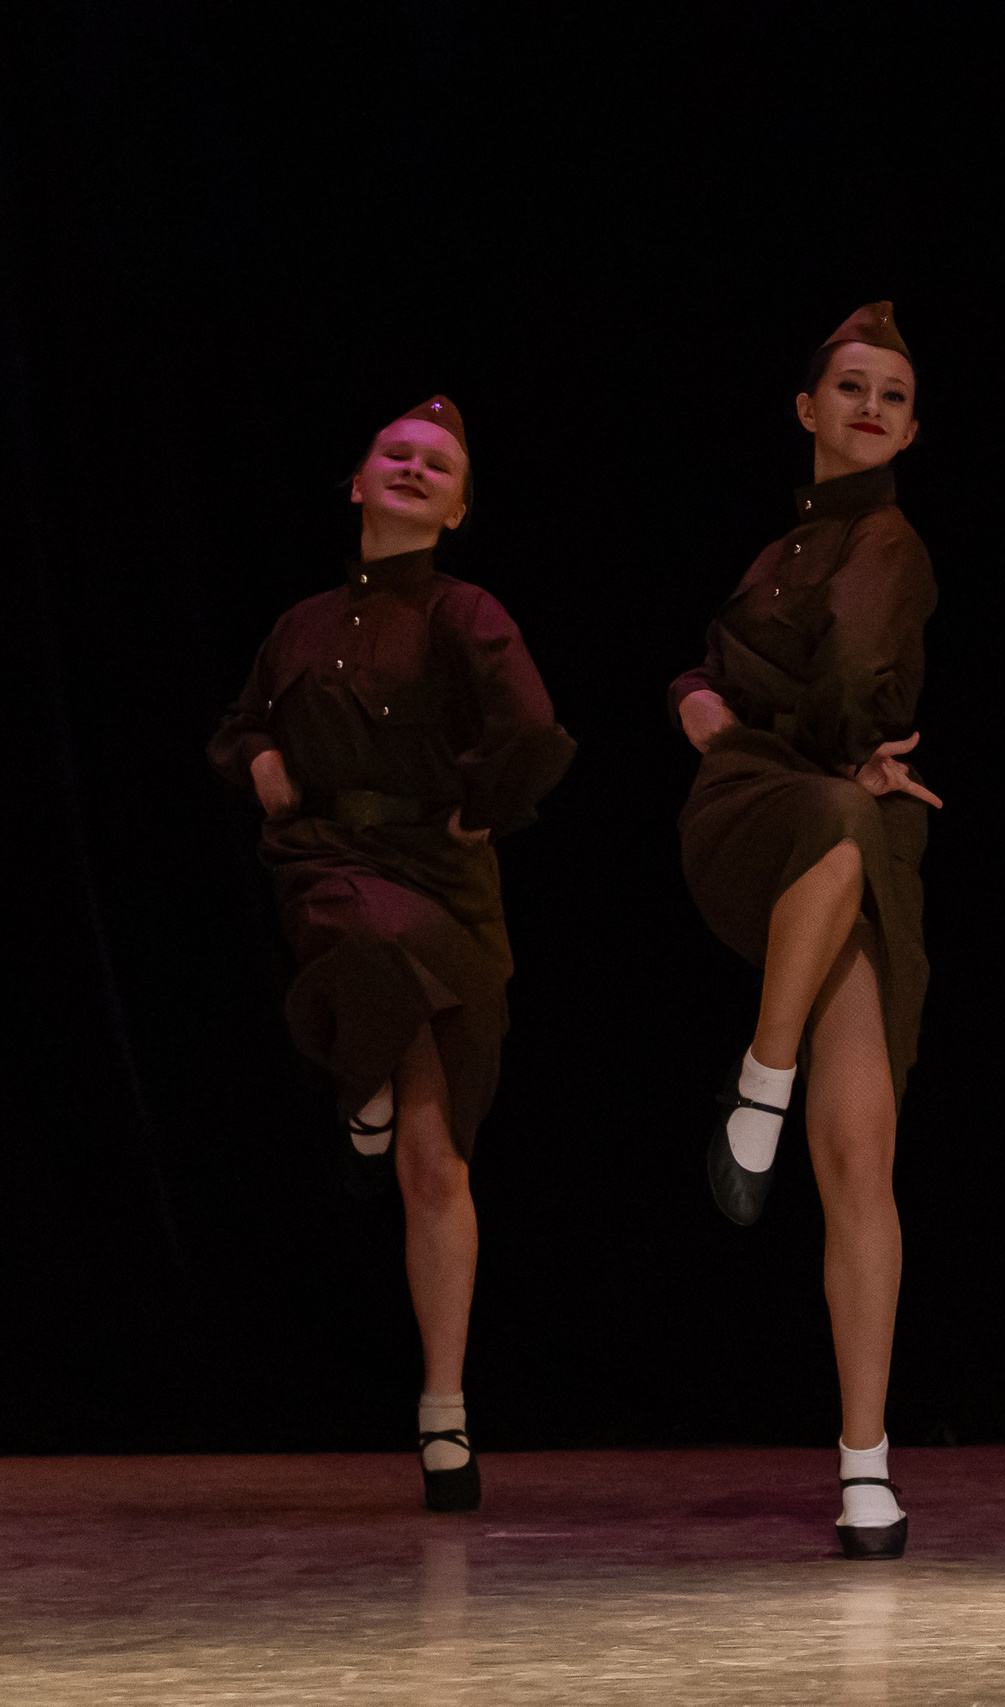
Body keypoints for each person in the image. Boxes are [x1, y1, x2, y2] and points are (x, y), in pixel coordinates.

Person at [209, 396, 575, 1513]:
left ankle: (444, 1414)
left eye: (439, 466)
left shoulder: (466, 612)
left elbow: (533, 735)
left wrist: (481, 811)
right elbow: (238, 727)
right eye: (395, 455)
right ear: (358, 483)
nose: (414, 470)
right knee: (358, 928)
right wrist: (261, 756)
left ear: (460, 505)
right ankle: (362, 1072)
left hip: (447, 882)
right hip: (330, 856)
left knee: (434, 1160)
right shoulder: (301, 624)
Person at [671, 302, 939, 1560]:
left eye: (891, 393)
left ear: (911, 425)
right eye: (850, 386)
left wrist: (752, 709)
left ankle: (867, 1463)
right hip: (755, 808)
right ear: (808, 409)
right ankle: (761, 1076)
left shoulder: (889, 541)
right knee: (837, 811)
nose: (870, 406)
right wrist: (695, 698)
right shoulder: (782, 550)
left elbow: (852, 682)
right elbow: (733, 666)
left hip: (843, 822)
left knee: (860, 1151)